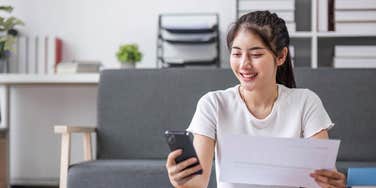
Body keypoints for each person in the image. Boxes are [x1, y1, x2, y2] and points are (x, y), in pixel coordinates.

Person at [166, 11, 346, 188]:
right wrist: (180, 180)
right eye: (237, 54)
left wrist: (332, 184)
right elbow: (197, 183)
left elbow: (323, 179)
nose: (244, 64)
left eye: (256, 54)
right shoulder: (213, 105)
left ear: (281, 56)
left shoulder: (305, 103)